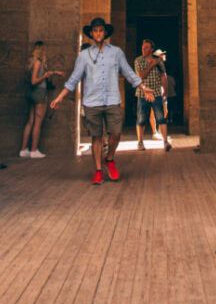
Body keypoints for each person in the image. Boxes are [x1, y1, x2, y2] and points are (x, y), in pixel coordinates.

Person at [51, 17, 155, 185]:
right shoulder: (84, 56)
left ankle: (110, 159)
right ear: (91, 34)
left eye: (101, 30)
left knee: (116, 133)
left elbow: (128, 72)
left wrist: (142, 87)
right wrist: (60, 96)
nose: (98, 33)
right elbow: (74, 78)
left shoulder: (116, 52)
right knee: (97, 137)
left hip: (112, 99)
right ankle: (98, 171)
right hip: (92, 102)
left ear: (105, 33)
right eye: (95, 31)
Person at [19, 41, 64, 159]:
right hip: (39, 93)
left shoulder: (33, 63)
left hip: (32, 93)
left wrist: (53, 72)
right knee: (38, 123)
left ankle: (24, 149)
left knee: (31, 121)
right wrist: (45, 76)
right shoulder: (38, 62)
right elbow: (34, 80)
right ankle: (34, 150)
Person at [134, 39, 171, 152]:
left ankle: (165, 142)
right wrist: (150, 65)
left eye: (146, 47)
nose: (143, 49)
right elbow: (140, 76)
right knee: (141, 119)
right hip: (143, 94)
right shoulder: (138, 60)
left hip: (156, 93)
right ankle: (140, 142)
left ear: (151, 49)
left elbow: (163, 76)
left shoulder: (158, 61)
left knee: (161, 117)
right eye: (142, 47)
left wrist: (165, 91)